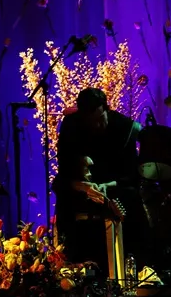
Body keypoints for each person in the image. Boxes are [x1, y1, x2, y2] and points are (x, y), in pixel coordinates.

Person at [53, 87, 145, 273]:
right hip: (83, 187)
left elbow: (131, 175)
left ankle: (133, 264)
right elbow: (65, 171)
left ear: (106, 109)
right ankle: (69, 263)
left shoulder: (124, 128)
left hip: (114, 185)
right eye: (91, 122)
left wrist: (106, 186)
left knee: (132, 196)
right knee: (60, 189)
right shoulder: (71, 126)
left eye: (100, 119)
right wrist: (83, 186)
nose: (96, 125)